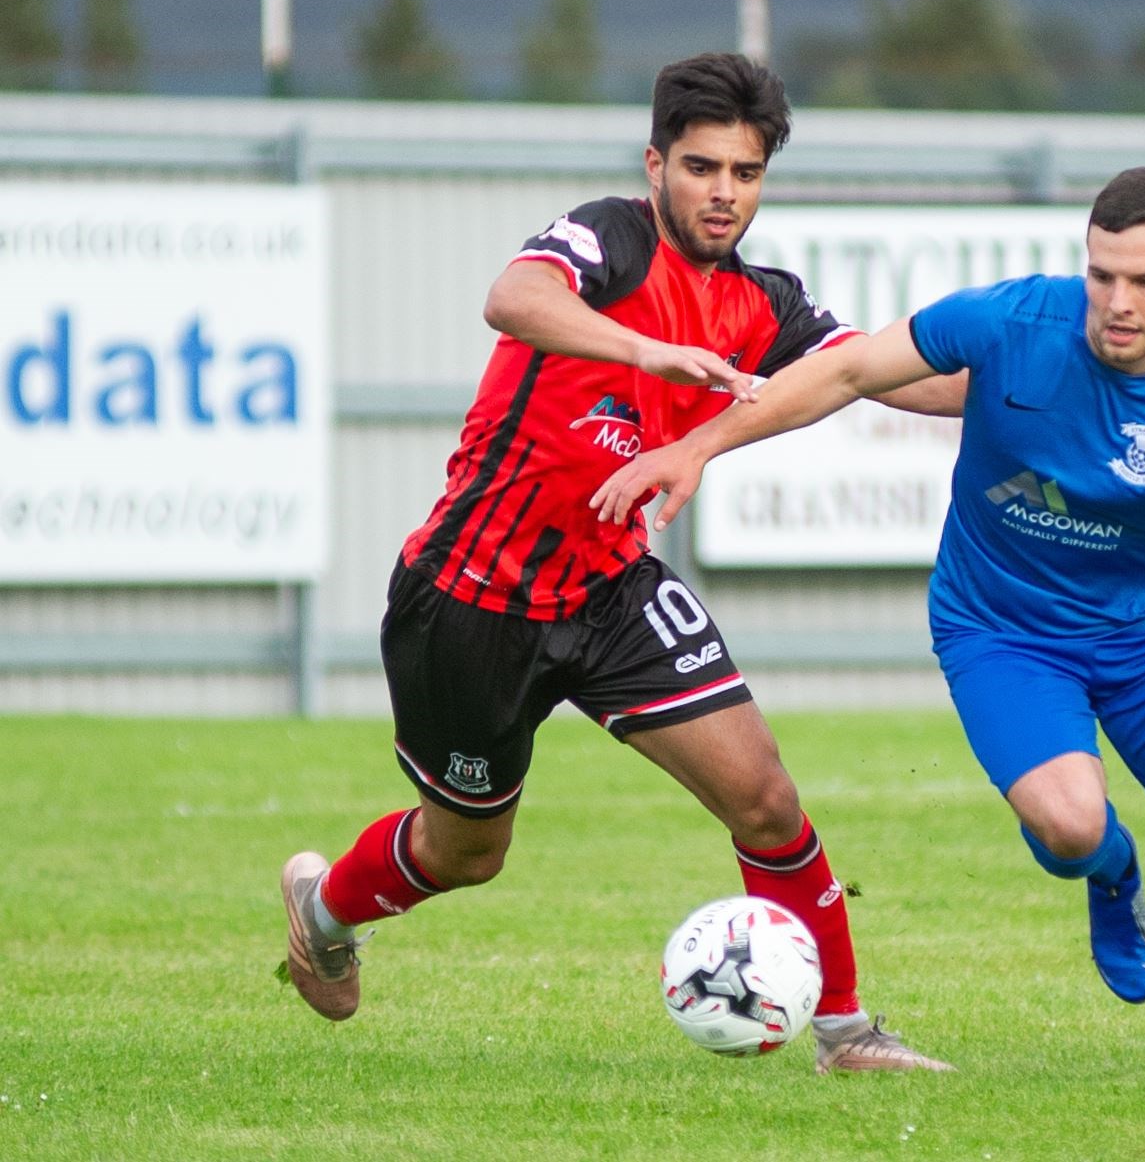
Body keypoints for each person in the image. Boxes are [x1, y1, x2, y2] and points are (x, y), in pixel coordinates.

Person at [594, 166, 1145, 1077]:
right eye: (1103, 275)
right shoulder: (1010, 321)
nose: (1118, 302)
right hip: (998, 629)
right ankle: (1113, 871)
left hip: (1141, 638)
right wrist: (696, 445)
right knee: (1072, 825)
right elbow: (845, 368)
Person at [279, 52, 958, 1075]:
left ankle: (846, 1033)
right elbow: (510, 297)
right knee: (467, 851)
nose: (722, 192)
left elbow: (881, 373)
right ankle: (324, 909)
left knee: (765, 797)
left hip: (611, 588)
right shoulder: (609, 237)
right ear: (655, 165)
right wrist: (642, 352)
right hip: (471, 597)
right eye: (699, 167)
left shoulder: (763, 304)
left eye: (744, 171)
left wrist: (1031, 369)